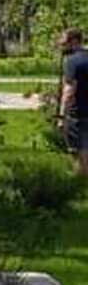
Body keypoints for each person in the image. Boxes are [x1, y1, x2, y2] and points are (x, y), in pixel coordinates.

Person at [61, 28, 88, 177]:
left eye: (64, 42)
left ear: (74, 41)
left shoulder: (72, 61)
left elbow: (70, 90)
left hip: (78, 112)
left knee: (79, 150)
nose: (62, 46)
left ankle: (82, 182)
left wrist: (62, 115)